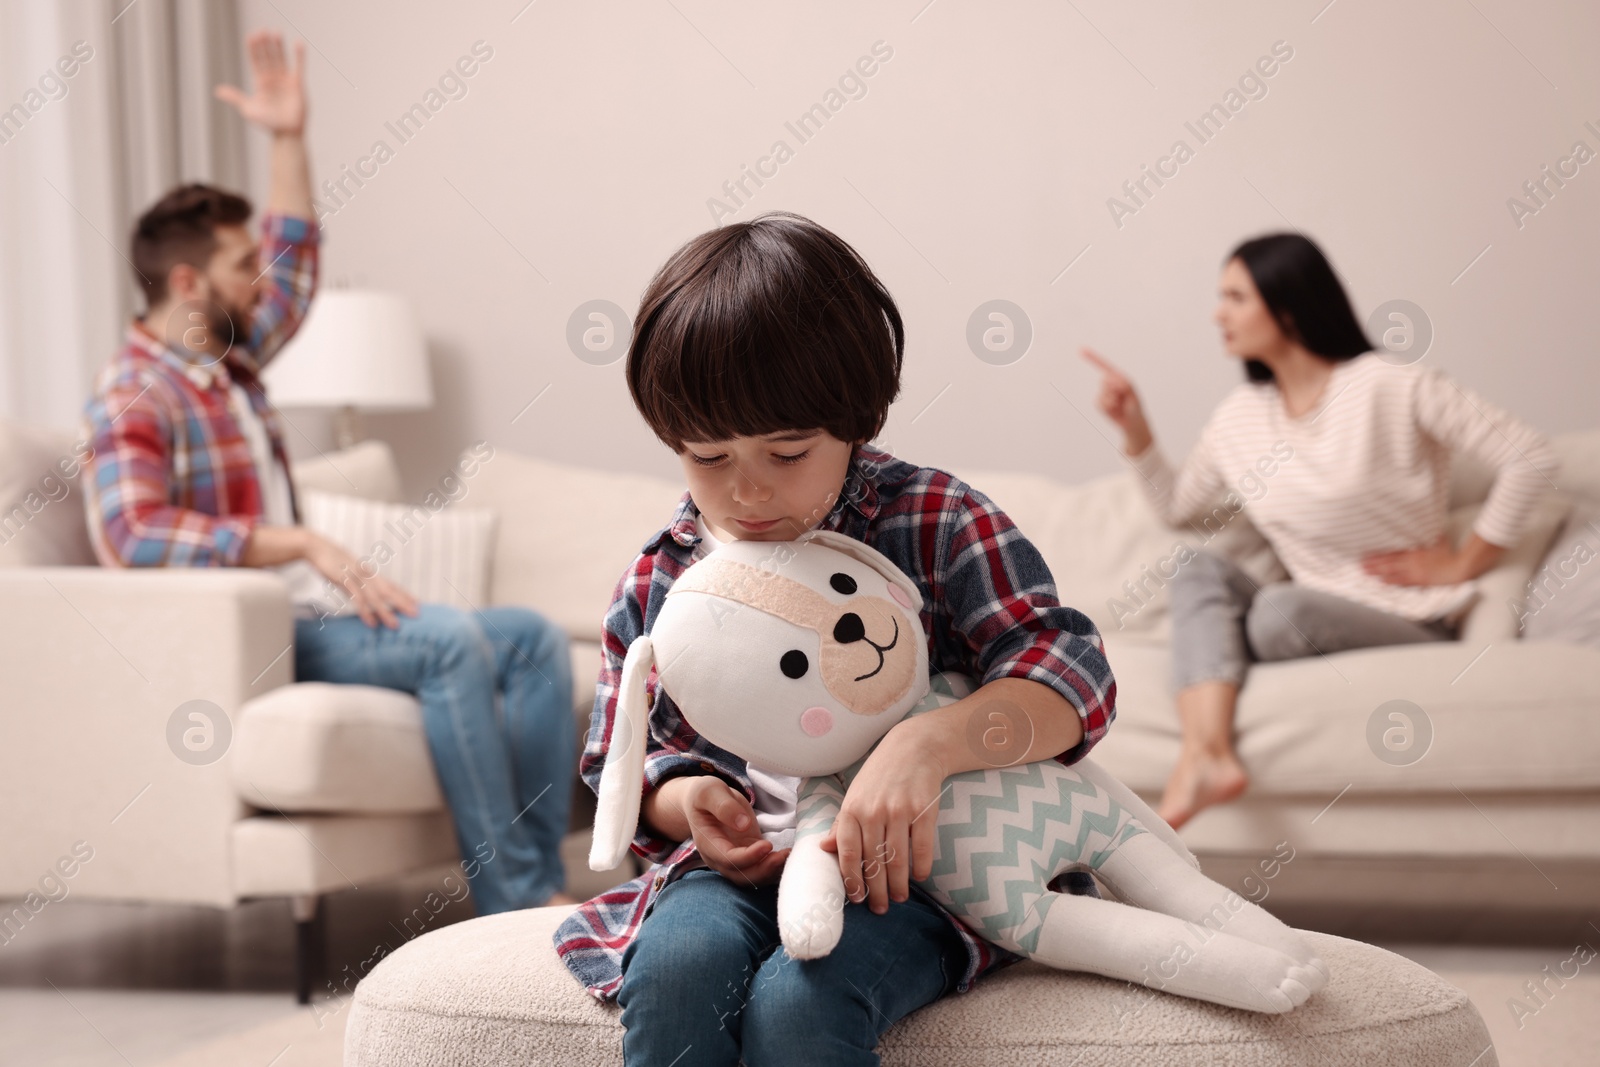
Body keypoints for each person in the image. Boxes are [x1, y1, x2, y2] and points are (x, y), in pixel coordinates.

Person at [552, 213, 1116, 1065]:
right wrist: (689, 806)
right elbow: (625, 763)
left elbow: (1071, 676)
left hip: (918, 878)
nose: (745, 491)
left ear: (854, 420)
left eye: (787, 452)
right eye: (707, 457)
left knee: (800, 1003)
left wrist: (929, 745)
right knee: (679, 970)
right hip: (730, 877)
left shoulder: (934, 521)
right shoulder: (664, 576)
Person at [80, 31, 576, 913]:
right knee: (448, 640)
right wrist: (299, 539)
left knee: (533, 636)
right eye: (240, 264)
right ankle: (511, 903)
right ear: (190, 282)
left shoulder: (224, 360)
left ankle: (539, 881)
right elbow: (133, 534)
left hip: (315, 610)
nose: (258, 277)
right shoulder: (133, 393)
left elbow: (295, 269)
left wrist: (286, 140)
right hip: (266, 629)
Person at [1083, 232, 1558, 830]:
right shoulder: (1241, 418)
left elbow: (1531, 458)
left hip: (1409, 616)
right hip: (1297, 613)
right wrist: (1136, 430)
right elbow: (1178, 508)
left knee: (1278, 611)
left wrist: (1464, 564)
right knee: (1199, 569)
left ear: (1287, 304)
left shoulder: (1390, 385)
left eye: (1235, 297)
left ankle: (1215, 727)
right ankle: (1206, 756)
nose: (1216, 314)